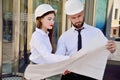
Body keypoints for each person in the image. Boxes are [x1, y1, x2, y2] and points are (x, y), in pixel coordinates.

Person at [55, 0, 116, 80]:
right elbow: (58, 58)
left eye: (79, 16)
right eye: (73, 17)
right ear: (68, 17)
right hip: (70, 76)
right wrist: (61, 68)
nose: (77, 20)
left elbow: (107, 55)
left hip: (90, 76)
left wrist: (112, 50)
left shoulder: (96, 33)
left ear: (83, 12)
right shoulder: (64, 37)